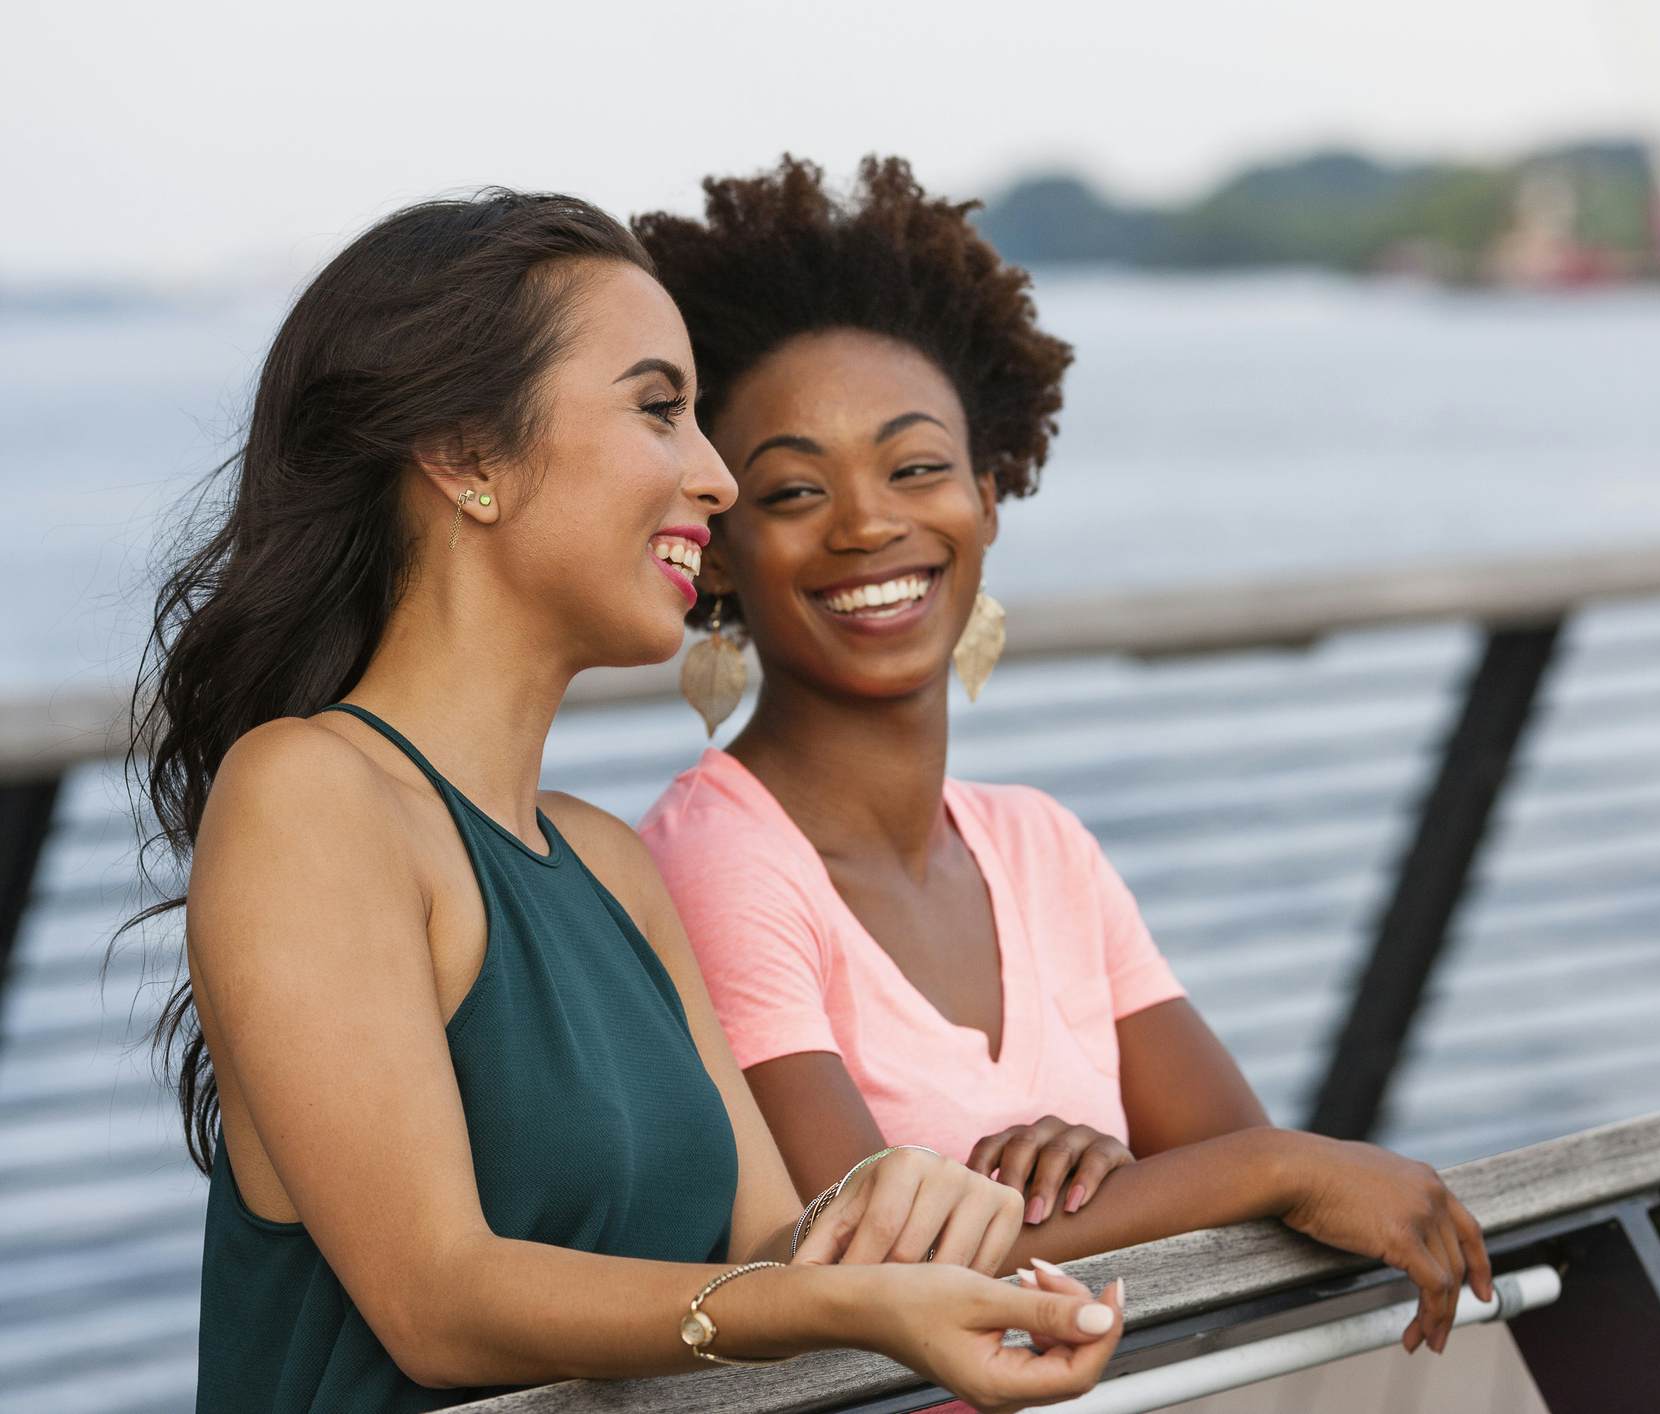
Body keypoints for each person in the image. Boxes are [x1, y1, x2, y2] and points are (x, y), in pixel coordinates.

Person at [127, 188, 1122, 1414]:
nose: (714, 479)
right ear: (467, 454)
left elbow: (775, 1244)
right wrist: (820, 1303)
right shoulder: (306, 796)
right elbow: (437, 1299)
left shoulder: (608, 861)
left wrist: (920, 1211)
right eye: (659, 409)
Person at [634, 157, 1490, 1358]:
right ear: (716, 550)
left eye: (917, 466)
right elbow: (867, 1255)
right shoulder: (717, 859)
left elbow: (1226, 1176)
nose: (868, 521)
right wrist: (1272, 1163)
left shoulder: (1041, 846)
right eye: (792, 488)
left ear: (988, 498)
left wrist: (1122, 1170)